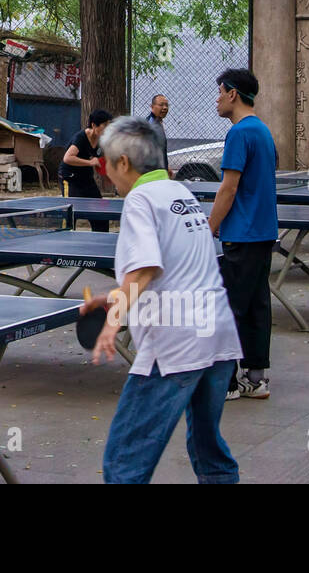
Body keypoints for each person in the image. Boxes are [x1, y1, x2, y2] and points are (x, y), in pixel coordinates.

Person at [89, 116, 241, 484]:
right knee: (209, 450)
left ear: (123, 163)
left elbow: (146, 270)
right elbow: (176, 267)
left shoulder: (140, 200)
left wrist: (112, 322)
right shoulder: (180, 193)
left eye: (106, 162)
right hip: (218, 337)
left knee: (124, 461)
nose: (104, 172)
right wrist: (112, 298)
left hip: (175, 342)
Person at [206, 68, 277, 401]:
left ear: (233, 94)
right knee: (256, 305)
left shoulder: (238, 134)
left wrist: (209, 228)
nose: (217, 98)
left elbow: (229, 189)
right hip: (264, 234)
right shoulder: (262, 131)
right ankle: (256, 378)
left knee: (229, 307)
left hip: (242, 235)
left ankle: (228, 382)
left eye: (220, 91)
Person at [59, 109, 113, 232]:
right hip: (70, 178)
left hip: (87, 179)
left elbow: (101, 160)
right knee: (71, 212)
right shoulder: (81, 138)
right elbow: (67, 158)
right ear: (94, 125)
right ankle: (65, 239)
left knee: (101, 213)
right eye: (104, 126)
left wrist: (106, 177)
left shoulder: (101, 139)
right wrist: (90, 162)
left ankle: (101, 239)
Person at [146, 94, 170, 172]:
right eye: (161, 105)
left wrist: (167, 167)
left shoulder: (158, 122)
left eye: (166, 105)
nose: (165, 108)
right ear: (152, 107)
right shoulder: (151, 126)